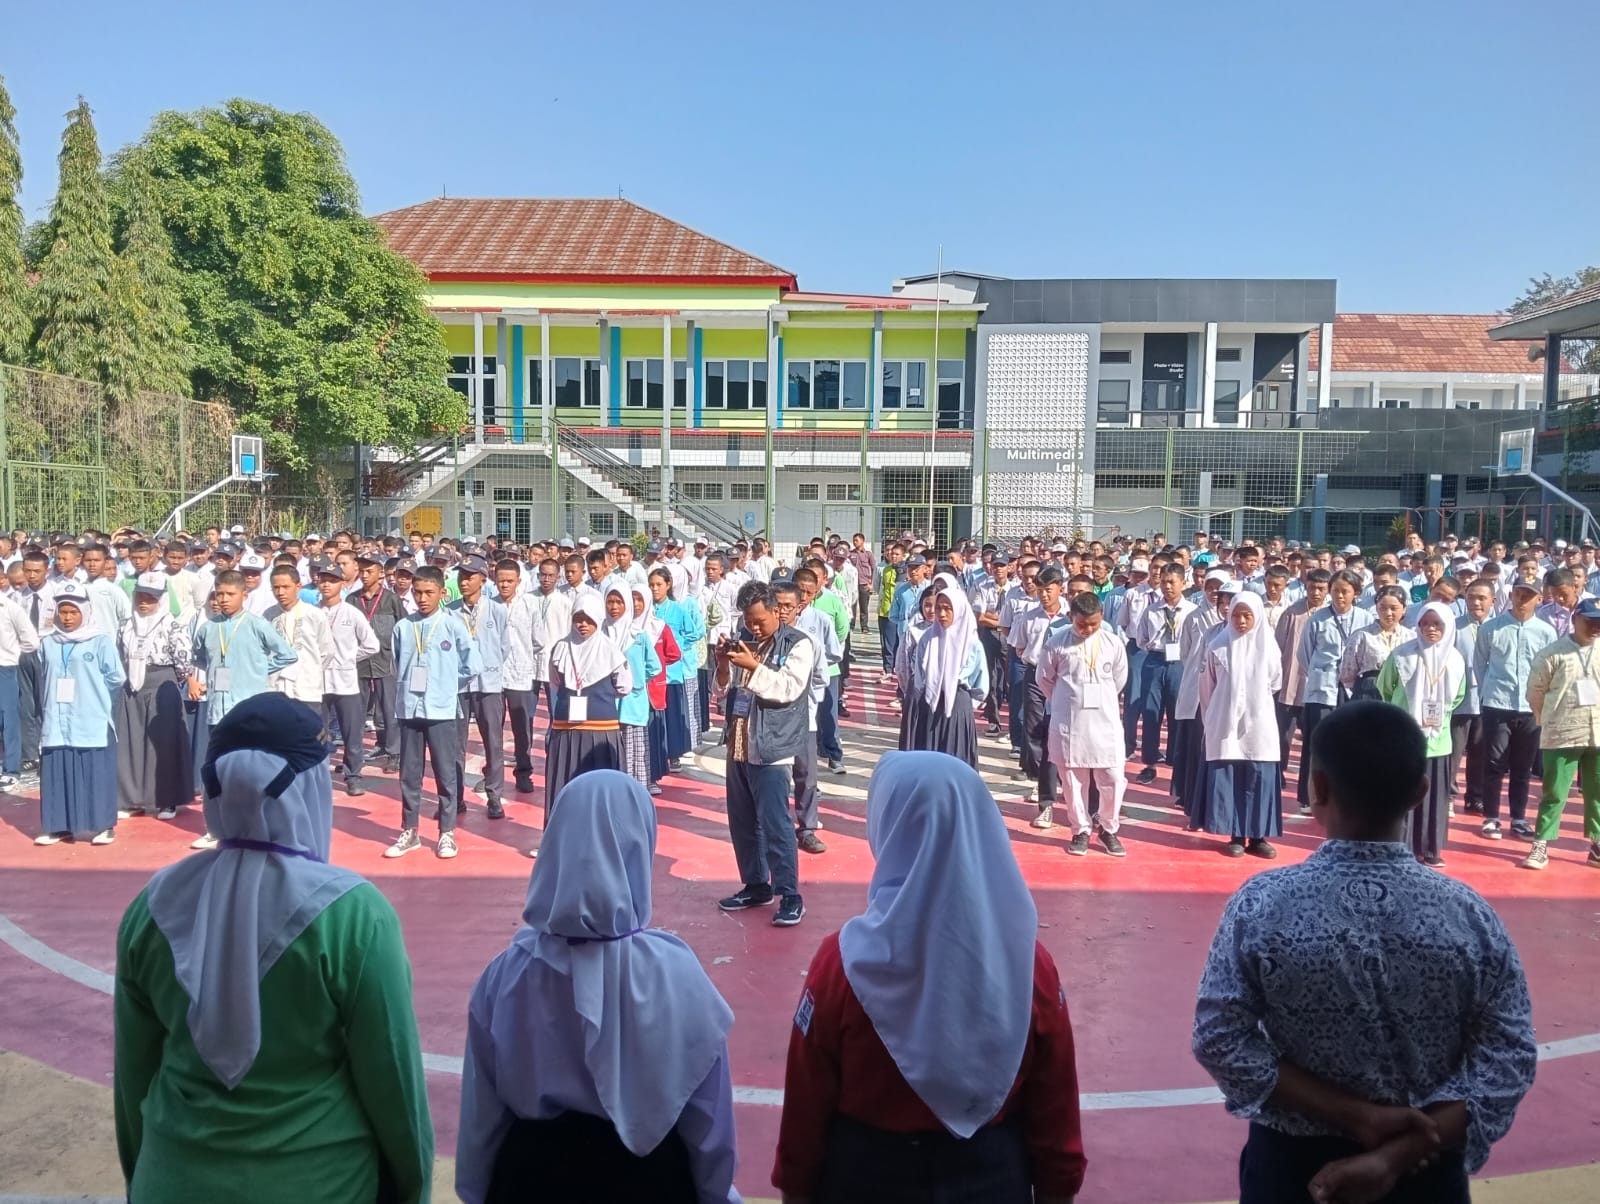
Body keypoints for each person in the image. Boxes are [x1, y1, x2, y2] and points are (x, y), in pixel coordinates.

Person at [1193, 701, 1537, 1204]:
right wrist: (1394, 1154)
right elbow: (1509, 1056)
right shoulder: (1468, 916)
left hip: (1293, 1172)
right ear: (1421, 793)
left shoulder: (1263, 905)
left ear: (1318, 787)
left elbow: (1219, 1039)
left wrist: (1357, 1117)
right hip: (1425, 1168)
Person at [113, 693, 433, 1204]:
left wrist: (147, 1177)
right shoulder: (353, 915)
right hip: (319, 1182)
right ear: (307, 789)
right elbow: (393, 1083)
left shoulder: (152, 909)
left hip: (172, 1178)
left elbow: (134, 1079)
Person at [773, 753, 1086, 1203]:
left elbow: (806, 1105)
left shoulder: (843, 964)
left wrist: (797, 1186)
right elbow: (1055, 1100)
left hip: (866, 1179)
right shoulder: (1027, 963)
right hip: (991, 1177)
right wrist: (1058, 1186)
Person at [456, 771, 740, 1204]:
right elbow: (708, 1121)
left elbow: (482, 1115)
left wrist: (475, 1189)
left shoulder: (508, 974)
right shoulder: (675, 976)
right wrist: (717, 1195)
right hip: (650, 1180)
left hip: (533, 1177)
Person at [714, 581, 815, 929]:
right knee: (742, 820)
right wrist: (724, 666)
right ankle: (756, 884)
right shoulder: (746, 641)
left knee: (776, 824)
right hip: (739, 740)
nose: (754, 627)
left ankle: (790, 895)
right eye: (748, 621)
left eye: (760, 620)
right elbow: (724, 692)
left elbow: (789, 688)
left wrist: (754, 667)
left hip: (773, 746)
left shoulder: (799, 644)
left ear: (777, 610)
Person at [386, 565, 480, 861]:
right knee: (409, 773)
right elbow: (397, 664)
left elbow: (472, 664)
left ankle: (446, 832)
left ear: (442, 593)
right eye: (417, 593)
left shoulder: (452, 625)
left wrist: (447, 684)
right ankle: (410, 830)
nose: (423, 598)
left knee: (445, 772)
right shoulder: (403, 627)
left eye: (429, 592)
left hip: (441, 709)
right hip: (410, 709)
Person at [1037, 590, 1130, 857]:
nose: (1088, 629)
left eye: (1094, 624)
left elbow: (1119, 680)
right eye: (1082, 624)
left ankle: (1108, 828)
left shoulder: (1113, 643)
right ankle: (1080, 830)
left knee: (1112, 778)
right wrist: (1068, 699)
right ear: (1071, 617)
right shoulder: (1057, 642)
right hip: (1070, 723)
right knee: (1073, 781)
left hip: (1105, 722)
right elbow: (1044, 679)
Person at [34, 588, 127, 846]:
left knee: (95, 771)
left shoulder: (99, 641)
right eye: (62, 612)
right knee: (57, 770)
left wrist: (94, 697)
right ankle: (58, 826)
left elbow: (116, 677)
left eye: (73, 612)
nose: (66, 618)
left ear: (84, 613)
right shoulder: (48, 642)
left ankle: (103, 825)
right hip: (56, 718)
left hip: (91, 717)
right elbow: (43, 675)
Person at [1377, 602, 1466, 867]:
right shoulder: (1402, 655)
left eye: (1437, 624)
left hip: (1438, 742)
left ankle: (1430, 848)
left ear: (1447, 626)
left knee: (1434, 796)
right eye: (1425, 623)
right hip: (1405, 738)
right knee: (1403, 795)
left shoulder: (1456, 659)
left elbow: (1459, 696)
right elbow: (1385, 687)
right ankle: (1401, 846)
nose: (1431, 629)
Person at [1196, 592, 1283, 859]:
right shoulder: (1218, 646)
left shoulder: (1269, 647)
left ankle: (1258, 836)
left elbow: (1276, 682)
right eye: (1236, 615)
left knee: (1258, 774)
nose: (1241, 621)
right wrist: (1216, 715)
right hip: (1225, 722)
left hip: (1260, 723)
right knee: (1231, 774)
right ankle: (1235, 834)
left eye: (1247, 615)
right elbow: (1206, 688)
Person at [1474, 578, 1557, 842]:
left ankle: (1518, 818)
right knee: (1494, 763)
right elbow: (1480, 665)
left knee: (1523, 767)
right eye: (1519, 593)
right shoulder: (1491, 629)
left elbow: (1548, 670)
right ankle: (1491, 817)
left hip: (1530, 707)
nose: (1523, 599)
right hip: (1497, 704)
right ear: (1510, 595)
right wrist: (1486, 695)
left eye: (1529, 595)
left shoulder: (1546, 631)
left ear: (1539, 599)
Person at [1522, 596, 1600, 871]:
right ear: (1575, 618)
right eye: (1589, 621)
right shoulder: (1553, 653)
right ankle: (1541, 842)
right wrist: (1548, 719)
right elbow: (1535, 692)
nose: (1594, 627)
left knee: (1597, 791)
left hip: (1598, 732)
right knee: (1555, 792)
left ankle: (1597, 843)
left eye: (1599, 623)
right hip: (1562, 731)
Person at [543, 591, 633, 825]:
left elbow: (624, 686)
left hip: (601, 733)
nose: (583, 624)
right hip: (566, 732)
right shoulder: (560, 648)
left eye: (589, 619)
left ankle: (602, 837)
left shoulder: (611, 650)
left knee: (600, 789)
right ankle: (560, 838)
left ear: (598, 619)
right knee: (565, 785)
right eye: (578, 618)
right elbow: (554, 682)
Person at [115, 573, 193, 821]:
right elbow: (120, 654)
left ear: (161, 599)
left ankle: (166, 800)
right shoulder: (126, 625)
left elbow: (183, 661)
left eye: (151, 597)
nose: (145, 602)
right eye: (141, 596)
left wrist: (175, 681)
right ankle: (133, 799)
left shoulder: (172, 625)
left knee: (164, 743)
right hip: (133, 685)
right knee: (131, 741)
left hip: (162, 684)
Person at [899, 576, 987, 768]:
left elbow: (980, 685)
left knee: (955, 762)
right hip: (929, 706)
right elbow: (917, 673)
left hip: (957, 709)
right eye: (939, 608)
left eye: (948, 608)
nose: (942, 614)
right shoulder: (928, 639)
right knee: (928, 761)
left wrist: (962, 704)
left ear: (960, 610)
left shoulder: (972, 644)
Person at [316, 562, 381, 798]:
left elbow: (372, 645)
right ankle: (319, 775)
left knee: (352, 732)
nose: (326, 584)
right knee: (319, 731)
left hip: (346, 681)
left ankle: (353, 776)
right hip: (319, 681)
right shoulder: (313, 612)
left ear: (342, 584)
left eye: (332, 580)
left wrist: (350, 658)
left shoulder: (352, 613)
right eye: (323, 580)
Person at [452, 555, 509, 819]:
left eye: (470, 576)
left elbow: (504, 647)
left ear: (483, 580)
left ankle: (494, 796)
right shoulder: (450, 611)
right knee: (455, 744)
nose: (464, 581)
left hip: (489, 685)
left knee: (493, 744)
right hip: (460, 686)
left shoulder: (497, 610)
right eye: (461, 576)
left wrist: (490, 667)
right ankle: (455, 798)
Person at [603, 583, 663, 794]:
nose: (614, 607)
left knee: (635, 751)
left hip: (634, 703)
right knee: (612, 749)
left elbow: (654, 667)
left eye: (619, 602)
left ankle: (635, 792)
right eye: (610, 602)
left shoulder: (639, 636)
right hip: (607, 703)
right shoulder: (600, 633)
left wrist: (635, 680)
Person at [1338, 586, 1410, 703]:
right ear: (1376, 608)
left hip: (1400, 691)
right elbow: (1347, 673)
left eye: (1394, 608)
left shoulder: (1411, 637)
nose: (1388, 613)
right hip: (1369, 691)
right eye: (1383, 608)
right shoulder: (1362, 636)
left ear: (1404, 609)